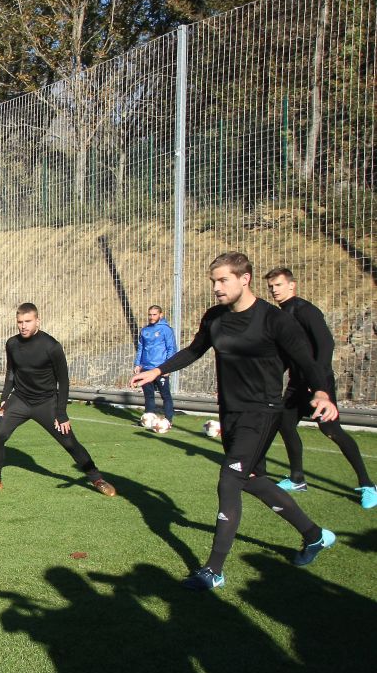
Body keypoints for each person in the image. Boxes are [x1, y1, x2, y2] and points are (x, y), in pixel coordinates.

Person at [132, 252, 339, 591]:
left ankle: (213, 570)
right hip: (231, 412)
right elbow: (194, 350)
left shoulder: (275, 320)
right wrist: (157, 370)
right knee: (252, 479)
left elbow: (308, 360)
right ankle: (314, 535)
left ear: (245, 279)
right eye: (213, 280)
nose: (216, 287)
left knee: (229, 480)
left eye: (223, 280)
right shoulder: (215, 318)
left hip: (264, 412)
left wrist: (321, 393)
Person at [0, 303, 116, 497]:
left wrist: (61, 413)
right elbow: (11, 373)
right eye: (20, 322)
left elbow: (64, 381)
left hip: (46, 403)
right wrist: (3, 400)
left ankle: (97, 479)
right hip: (20, 400)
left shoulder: (52, 346)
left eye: (28, 321)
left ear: (37, 321)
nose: (23, 326)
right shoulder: (12, 344)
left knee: (70, 443)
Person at [265, 267, 375, 509]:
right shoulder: (280, 314)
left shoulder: (305, 310)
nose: (274, 290)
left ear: (292, 285)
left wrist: (319, 385)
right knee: (284, 423)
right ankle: (297, 479)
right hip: (296, 383)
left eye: (278, 285)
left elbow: (326, 343)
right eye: (271, 286)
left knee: (331, 431)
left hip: (318, 384)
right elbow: (286, 355)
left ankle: (368, 484)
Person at [134, 304, 176, 423]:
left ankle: (168, 420)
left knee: (165, 395)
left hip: (160, 369)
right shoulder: (145, 330)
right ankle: (148, 419)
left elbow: (171, 349)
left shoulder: (166, 330)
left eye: (154, 314)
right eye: (150, 314)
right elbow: (141, 348)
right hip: (146, 369)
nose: (151, 317)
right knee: (148, 395)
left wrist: (168, 368)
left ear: (160, 315)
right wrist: (138, 364)